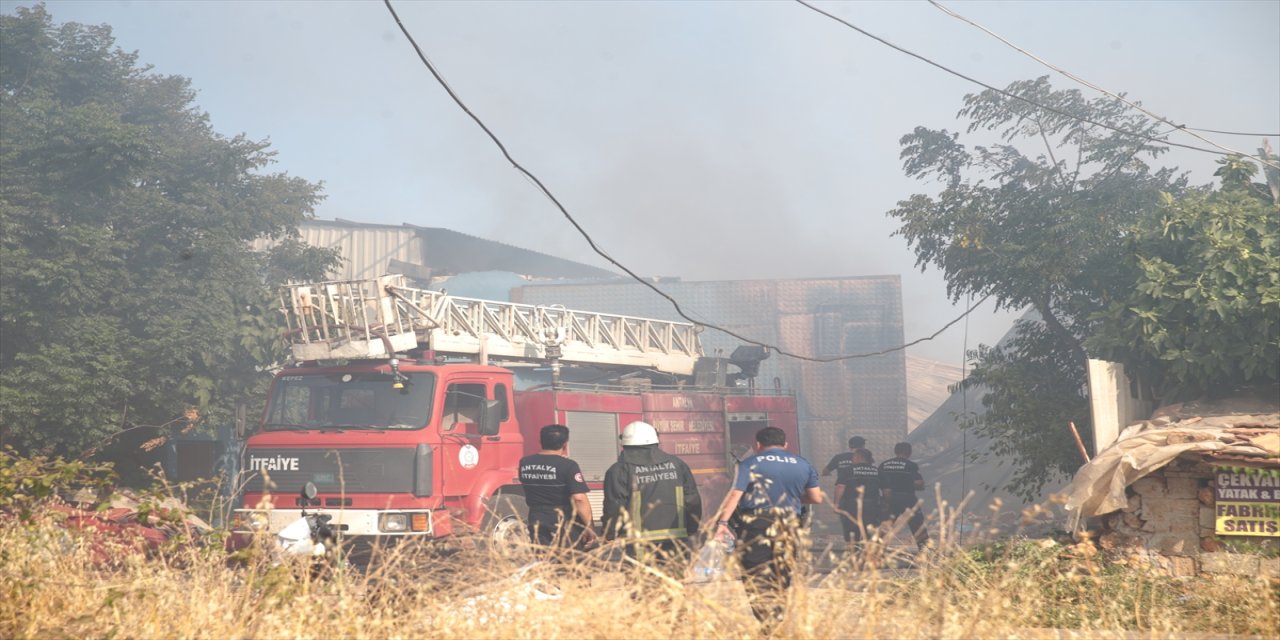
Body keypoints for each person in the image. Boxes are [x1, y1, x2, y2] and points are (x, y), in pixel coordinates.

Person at [711, 426, 822, 629]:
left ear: (759, 445)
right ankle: (778, 620)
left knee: (755, 573)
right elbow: (816, 497)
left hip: (757, 526)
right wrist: (792, 498)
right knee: (783, 572)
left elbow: (735, 495)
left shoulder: (749, 463)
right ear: (785, 444)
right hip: (790, 524)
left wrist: (723, 523)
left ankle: (767, 624)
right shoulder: (803, 463)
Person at [602, 421, 702, 570]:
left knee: (644, 589)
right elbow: (692, 500)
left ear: (625, 444)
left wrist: (610, 534)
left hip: (638, 544)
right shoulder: (677, 464)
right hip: (675, 541)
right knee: (673, 586)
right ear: (656, 441)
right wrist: (692, 528)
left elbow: (614, 506)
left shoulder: (619, 470)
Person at [518, 424, 597, 548]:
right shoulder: (569, 465)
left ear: (541, 441)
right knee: (567, 561)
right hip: (562, 520)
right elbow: (579, 499)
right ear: (565, 444)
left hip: (536, 517)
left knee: (543, 559)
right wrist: (589, 527)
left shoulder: (524, 463)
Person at [878, 442, 928, 550]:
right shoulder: (910, 465)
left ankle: (876, 551)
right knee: (917, 525)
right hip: (907, 498)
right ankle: (925, 551)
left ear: (895, 451)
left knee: (885, 526)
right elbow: (919, 483)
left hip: (889, 499)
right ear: (909, 452)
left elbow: (878, 482)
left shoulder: (884, 465)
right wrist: (908, 483)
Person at [833, 448, 881, 555]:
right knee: (870, 531)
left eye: (853, 457)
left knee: (852, 531)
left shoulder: (848, 470)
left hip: (851, 506)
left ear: (859, 457)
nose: (852, 459)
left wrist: (836, 504)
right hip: (872, 506)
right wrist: (885, 505)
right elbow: (886, 490)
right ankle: (869, 556)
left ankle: (854, 556)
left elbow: (840, 486)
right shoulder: (877, 470)